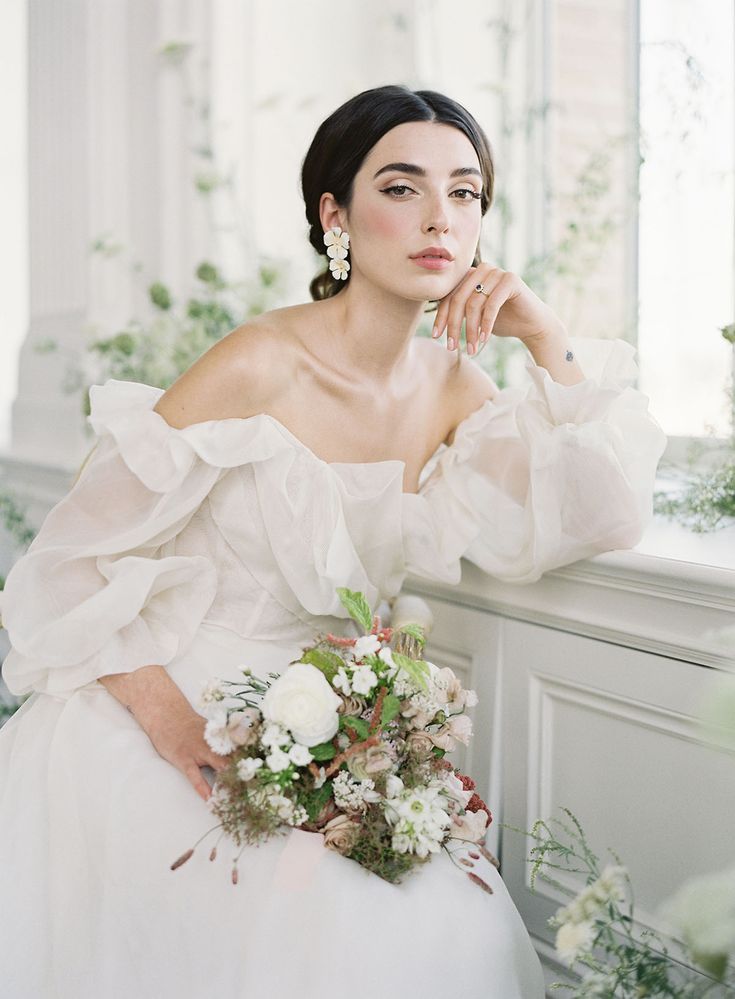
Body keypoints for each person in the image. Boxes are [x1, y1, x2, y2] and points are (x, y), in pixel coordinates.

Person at [0, 84, 666, 998]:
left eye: (466, 192)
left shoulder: (457, 391)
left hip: (329, 734)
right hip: (160, 704)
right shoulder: (259, 363)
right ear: (334, 213)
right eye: (401, 187)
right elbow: (65, 568)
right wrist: (176, 727)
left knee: (438, 930)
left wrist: (544, 335)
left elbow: (607, 510)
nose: (440, 216)